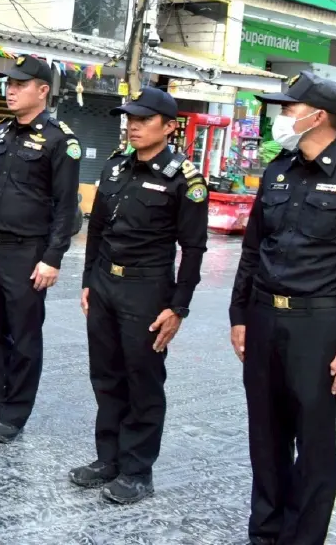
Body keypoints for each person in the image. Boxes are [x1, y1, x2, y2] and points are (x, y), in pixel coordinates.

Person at [71, 87, 208, 504]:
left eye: (143, 119)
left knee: (143, 381)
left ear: (169, 127)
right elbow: (96, 229)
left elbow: (194, 248)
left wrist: (178, 306)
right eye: (129, 118)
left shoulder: (185, 179)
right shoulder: (116, 168)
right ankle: (107, 459)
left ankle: (137, 471)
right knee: (106, 376)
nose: (132, 125)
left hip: (148, 291)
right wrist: (89, 280)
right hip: (106, 284)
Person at [230, 71, 336, 545]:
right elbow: (253, 247)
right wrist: (240, 315)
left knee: (315, 445)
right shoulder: (279, 168)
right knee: (267, 437)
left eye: (289, 108)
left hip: (319, 324)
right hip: (264, 317)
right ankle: (266, 535)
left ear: (318, 116)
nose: (281, 116)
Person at [0, 55, 81, 443]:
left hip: (27, 253)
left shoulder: (61, 139)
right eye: (8, 84)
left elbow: (65, 206)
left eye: (20, 84)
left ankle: (14, 413)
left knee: (24, 336)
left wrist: (52, 257)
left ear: (42, 90)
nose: (10, 90)